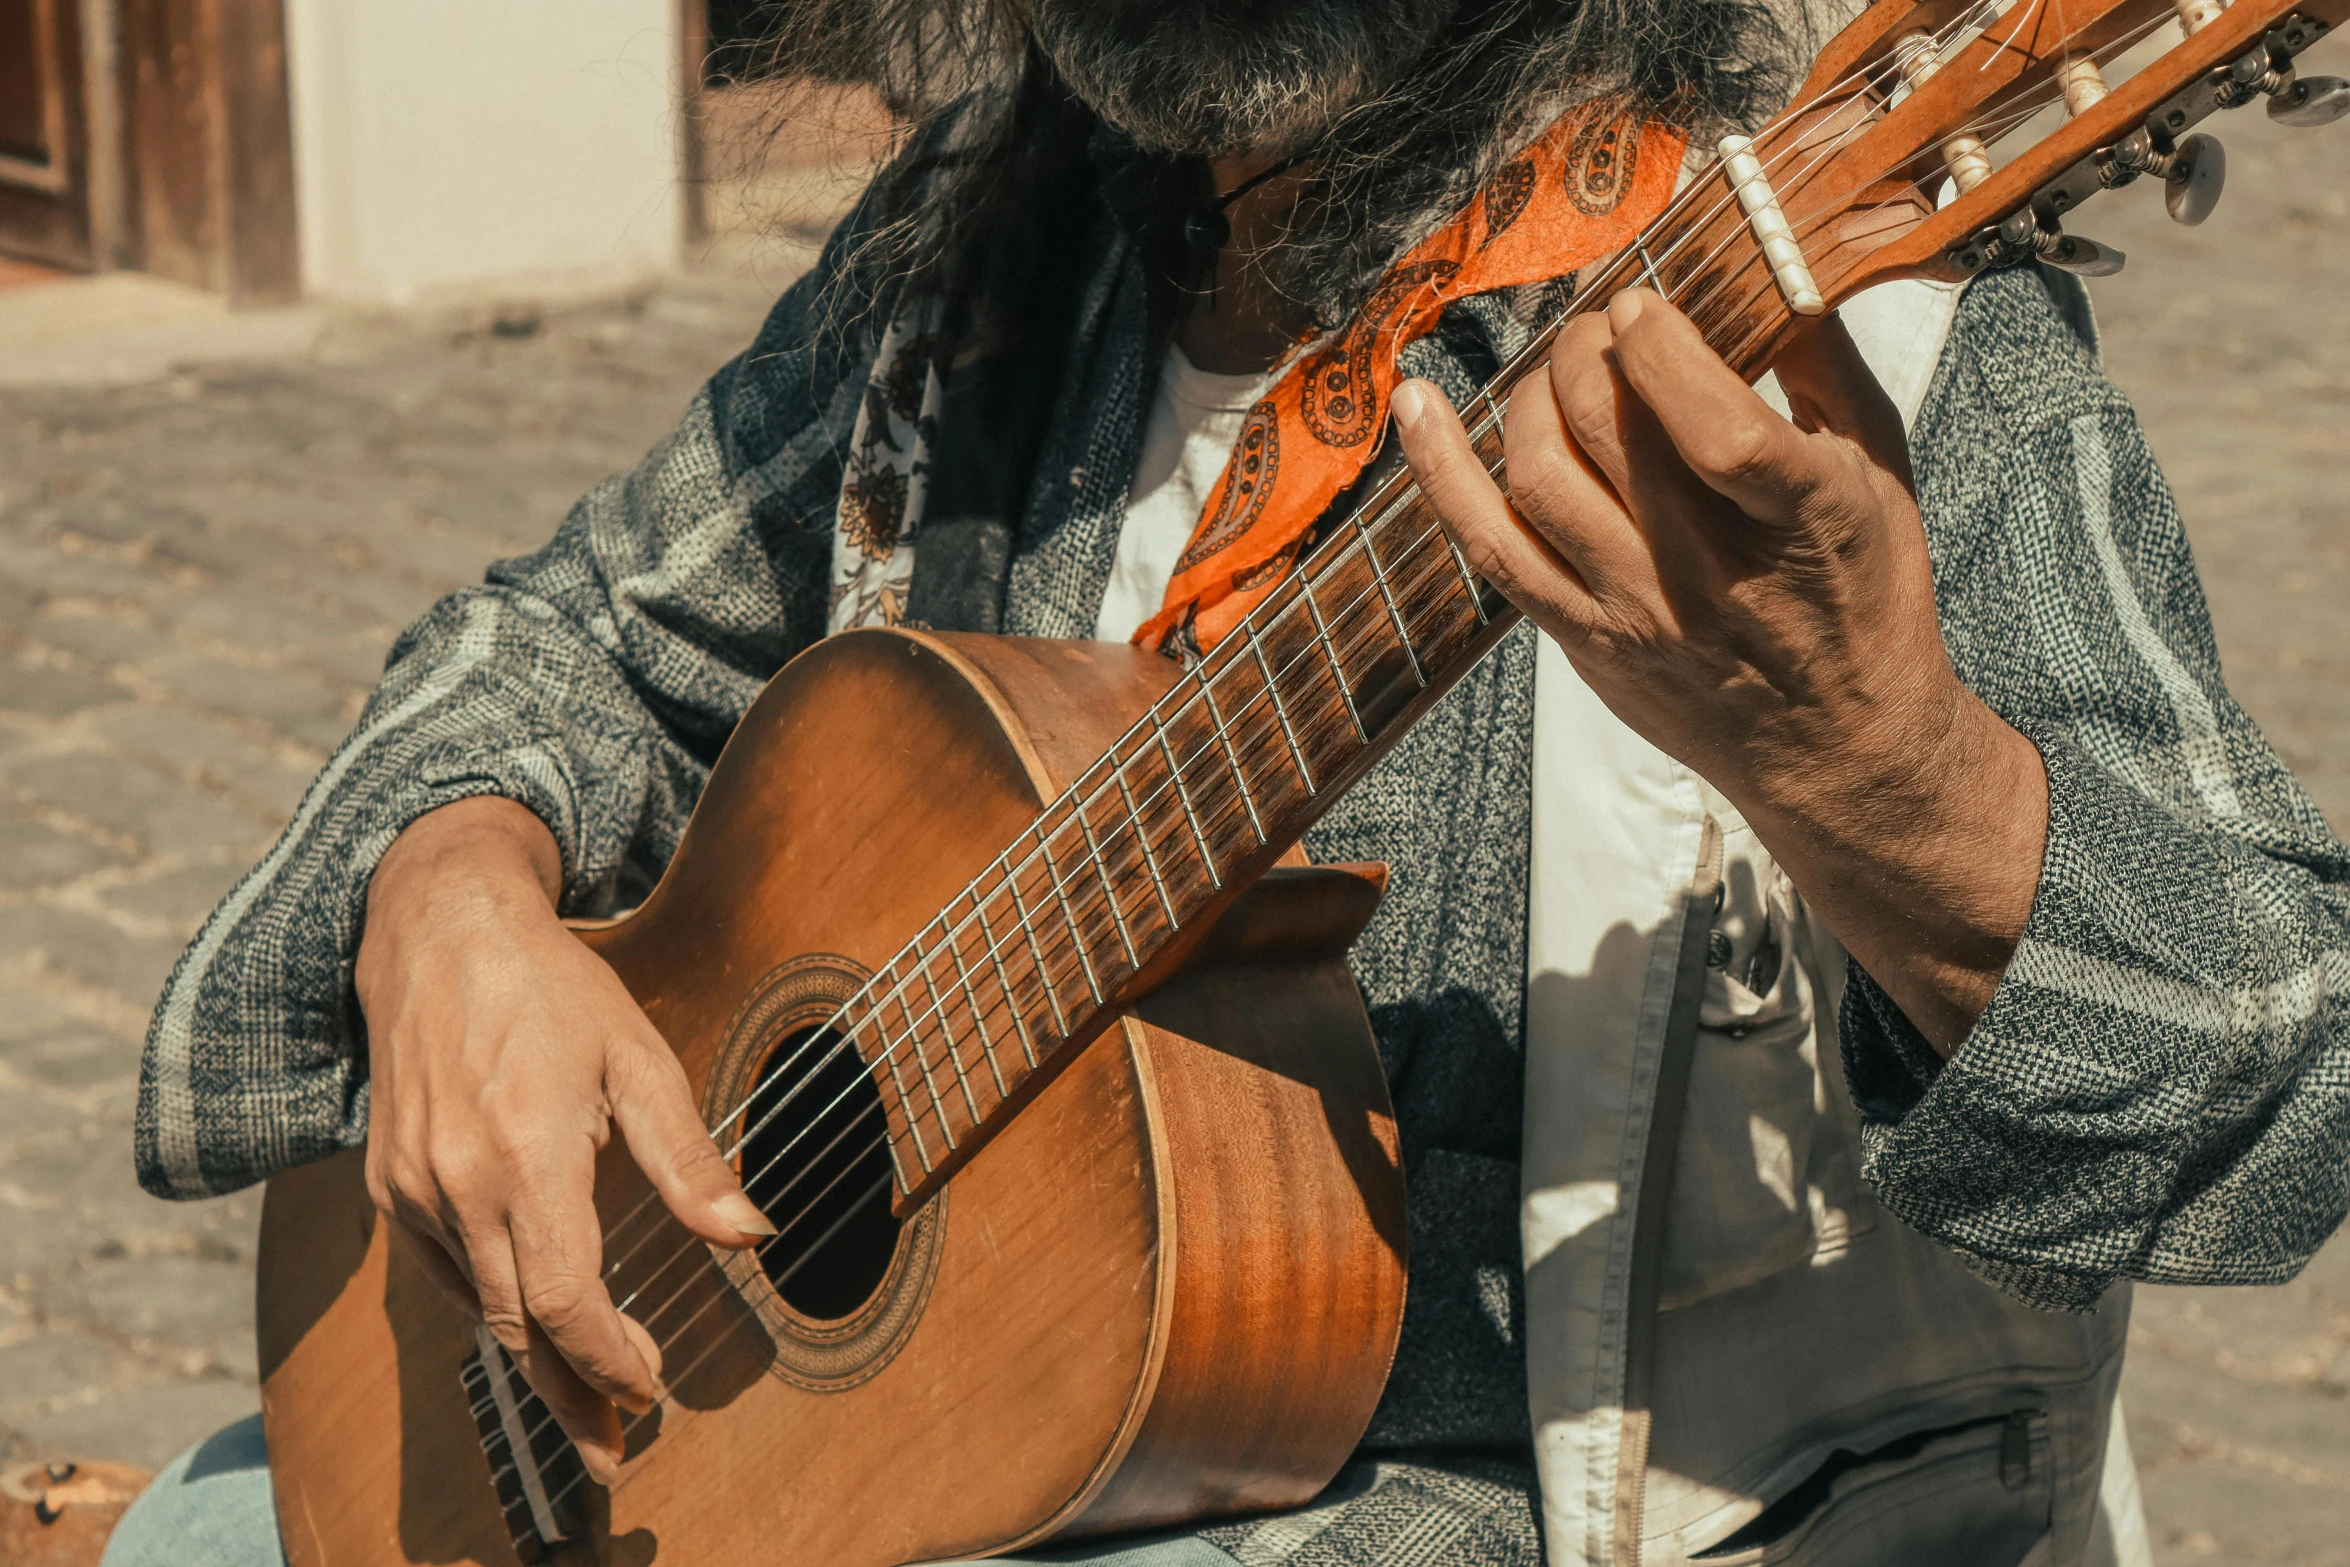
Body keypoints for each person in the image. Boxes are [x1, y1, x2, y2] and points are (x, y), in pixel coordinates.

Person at [109, 0, 2350, 1562]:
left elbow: (2270, 1062)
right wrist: (456, 892)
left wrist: (1881, 777)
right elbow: (572, 637)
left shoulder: (1843, 325)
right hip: (916, 1467)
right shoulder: (998, 249)